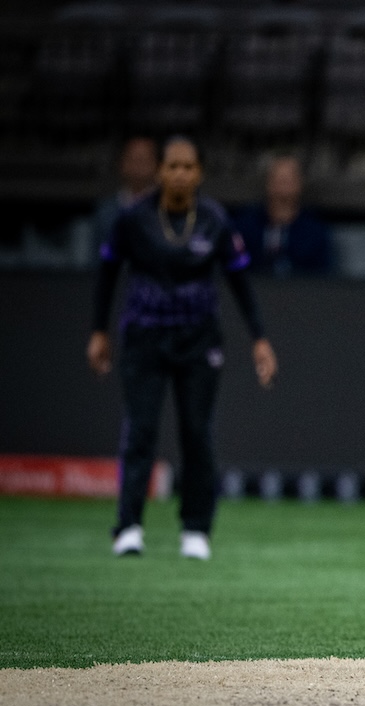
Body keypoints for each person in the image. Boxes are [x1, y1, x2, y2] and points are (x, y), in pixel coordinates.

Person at [87, 135, 278, 561]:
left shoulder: (213, 220)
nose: (179, 174)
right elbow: (107, 272)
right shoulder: (133, 219)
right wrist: (99, 330)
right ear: (159, 172)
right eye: (171, 166)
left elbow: (240, 282)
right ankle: (129, 527)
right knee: (140, 431)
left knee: (197, 433)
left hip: (198, 340)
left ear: (199, 174)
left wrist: (259, 339)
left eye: (187, 167)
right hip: (144, 337)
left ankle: (195, 529)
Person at [233, 154, 333, 277]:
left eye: (288, 181)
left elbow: (325, 278)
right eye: (278, 180)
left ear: (299, 184)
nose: (283, 187)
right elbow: (234, 266)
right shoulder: (245, 226)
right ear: (268, 183)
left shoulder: (314, 232)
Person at [92, 136, 159, 259]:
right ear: (122, 163)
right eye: (133, 159)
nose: (138, 166)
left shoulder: (168, 208)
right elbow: (101, 254)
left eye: (143, 160)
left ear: (156, 165)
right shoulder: (106, 211)